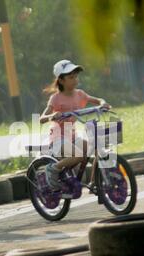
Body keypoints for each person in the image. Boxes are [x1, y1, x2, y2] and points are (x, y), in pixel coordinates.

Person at [40, 60, 111, 191]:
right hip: (57, 139)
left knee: (96, 149)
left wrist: (103, 103)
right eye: (71, 77)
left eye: (76, 76)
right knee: (78, 155)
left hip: (72, 136)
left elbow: (98, 100)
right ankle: (53, 168)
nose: (75, 80)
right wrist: (51, 116)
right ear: (61, 80)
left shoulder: (80, 94)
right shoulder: (56, 98)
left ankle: (95, 183)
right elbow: (41, 118)